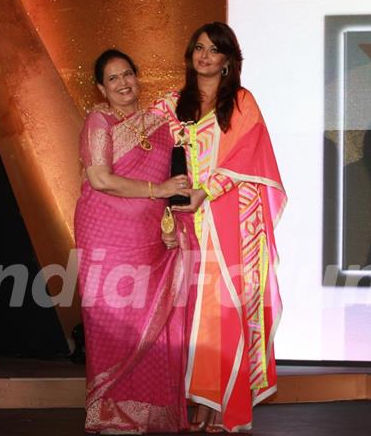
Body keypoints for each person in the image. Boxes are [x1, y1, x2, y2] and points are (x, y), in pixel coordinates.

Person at [152, 22, 287, 433]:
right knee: (188, 314)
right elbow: (148, 157)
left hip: (228, 221)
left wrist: (205, 191)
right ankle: (195, 399)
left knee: (221, 311)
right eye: (198, 48)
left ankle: (220, 404)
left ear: (229, 60)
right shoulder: (170, 105)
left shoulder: (242, 103)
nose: (204, 56)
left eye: (214, 50)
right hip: (182, 223)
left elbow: (250, 159)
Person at [75, 49, 192, 434]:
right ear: (100, 88)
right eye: (113, 78)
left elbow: (173, 187)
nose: (123, 83)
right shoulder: (99, 121)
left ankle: (149, 413)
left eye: (128, 74)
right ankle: (110, 412)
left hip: (147, 237)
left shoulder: (159, 125)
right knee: (110, 320)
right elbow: (101, 179)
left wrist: (169, 222)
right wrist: (157, 188)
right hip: (104, 233)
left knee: (147, 321)